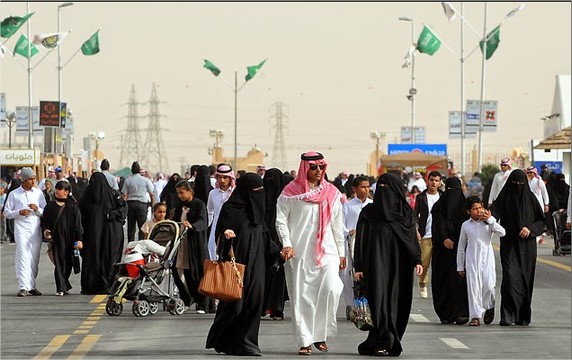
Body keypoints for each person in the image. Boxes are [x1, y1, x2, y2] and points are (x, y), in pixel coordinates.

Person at [275, 151, 345, 356]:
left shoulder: (331, 193)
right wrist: (286, 244)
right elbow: (281, 220)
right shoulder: (290, 192)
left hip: (328, 251)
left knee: (332, 289)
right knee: (303, 297)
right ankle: (305, 340)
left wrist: (341, 252)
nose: (318, 171)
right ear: (304, 169)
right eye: (313, 167)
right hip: (300, 253)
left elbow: (338, 226)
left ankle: (320, 334)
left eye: (321, 167)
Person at [206, 173, 280, 356]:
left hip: (257, 267)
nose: (258, 194)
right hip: (236, 265)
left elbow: (265, 239)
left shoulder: (258, 213)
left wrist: (279, 253)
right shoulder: (231, 209)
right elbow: (220, 236)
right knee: (234, 305)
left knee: (254, 302)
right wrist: (226, 237)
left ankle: (247, 343)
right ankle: (223, 340)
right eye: (255, 190)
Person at [353, 173, 423, 356]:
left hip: (400, 269)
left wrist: (417, 260)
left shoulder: (406, 215)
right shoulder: (368, 213)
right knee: (378, 302)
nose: (383, 193)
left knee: (394, 303)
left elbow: (412, 240)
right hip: (374, 267)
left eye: (387, 188)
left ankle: (389, 339)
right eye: (380, 188)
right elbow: (359, 241)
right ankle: (381, 340)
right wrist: (358, 267)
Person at [492, 169, 545, 326]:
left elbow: (541, 221)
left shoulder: (532, 199)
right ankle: (508, 316)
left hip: (527, 247)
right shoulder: (504, 198)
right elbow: (494, 214)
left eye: (521, 184)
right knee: (509, 276)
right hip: (509, 244)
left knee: (525, 278)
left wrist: (530, 229)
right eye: (515, 184)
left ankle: (522, 316)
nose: (518, 187)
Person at [457, 196, 506, 327]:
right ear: (468, 211)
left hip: (487, 259)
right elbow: (461, 247)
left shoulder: (489, 223)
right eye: (475, 209)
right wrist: (460, 266)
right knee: (474, 288)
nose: (479, 211)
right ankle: (475, 317)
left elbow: (502, 233)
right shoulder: (466, 225)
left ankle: (489, 305)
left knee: (489, 286)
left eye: (480, 208)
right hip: (471, 260)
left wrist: (490, 220)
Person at [79, 172, 127, 294]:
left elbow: (123, 209)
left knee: (101, 257)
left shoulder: (111, 195)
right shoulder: (110, 194)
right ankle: (102, 285)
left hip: (102, 234)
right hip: (101, 234)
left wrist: (112, 215)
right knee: (99, 257)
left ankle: (102, 285)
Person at [430, 176, 470, 324]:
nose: (452, 194)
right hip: (443, 252)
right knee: (443, 281)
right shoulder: (438, 208)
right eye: (450, 190)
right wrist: (444, 238)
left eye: (456, 190)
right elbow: (437, 227)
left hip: (460, 251)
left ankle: (461, 313)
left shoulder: (465, 208)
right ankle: (445, 313)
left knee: (460, 281)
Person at [3, 167, 47, 297]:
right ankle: (23, 286)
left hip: (35, 229)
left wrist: (37, 209)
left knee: (34, 257)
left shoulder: (38, 193)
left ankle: (31, 286)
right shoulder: (14, 194)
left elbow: (46, 211)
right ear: (23, 180)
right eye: (30, 179)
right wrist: (19, 212)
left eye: (34, 178)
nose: (33, 181)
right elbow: (6, 212)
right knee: (23, 256)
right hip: (21, 229)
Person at [170, 180, 209, 313]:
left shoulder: (199, 205)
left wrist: (192, 226)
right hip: (181, 243)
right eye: (178, 193)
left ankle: (202, 303)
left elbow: (203, 221)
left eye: (182, 192)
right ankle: (186, 299)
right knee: (178, 271)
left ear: (189, 191)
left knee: (196, 273)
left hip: (194, 244)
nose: (180, 195)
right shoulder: (179, 205)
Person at [41, 181, 84, 296]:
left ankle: (64, 284)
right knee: (59, 262)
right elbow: (44, 221)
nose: (57, 191)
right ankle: (60, 287)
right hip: (57, 239)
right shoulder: (50, 206)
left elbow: (78, 225)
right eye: (57, 188)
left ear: (66, 192)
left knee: (68, 262)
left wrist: (79, 239)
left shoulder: (73, 206)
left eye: (60, 189)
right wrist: (46, 231)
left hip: (70, 239)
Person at [261, 168, 292, 320]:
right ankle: (261, 307)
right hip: (264, 242)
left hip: (280, 241)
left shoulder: (286, 199)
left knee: (278, 275)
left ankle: (276, 309)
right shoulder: (260, 199)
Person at [340, 175, 372, 320]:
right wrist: (350, 232)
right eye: (363, 187)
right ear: (355, 189)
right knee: (347, 276)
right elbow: (341, 226)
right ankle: (350, 306)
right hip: (350, 245)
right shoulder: (348, 206)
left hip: (368, 246)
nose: (366, 190)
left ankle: (365, 307)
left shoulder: (373, 205)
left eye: (368, 187)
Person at [413, 171, 442, 299]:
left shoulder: (443, 196)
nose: (433, 183)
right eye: (431, 180)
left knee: (438, 262)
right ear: (427, 181)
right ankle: (422, 283)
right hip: (425, 233)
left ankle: (438, 287)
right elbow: (415, 215)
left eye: (436, 180)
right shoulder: (421, 197)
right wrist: (416, 229)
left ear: (440, 182)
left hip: (440, 235)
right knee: (424, 262)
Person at [206, 163, 235, 260]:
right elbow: (210, 211)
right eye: (220, 177)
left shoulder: (235, 193)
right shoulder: (213, 193)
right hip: (216, 227)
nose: (222, 180)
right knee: (213, 254)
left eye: (225, 177)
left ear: (230, 178)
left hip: (232, 228)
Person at [122, 161, 154, 242]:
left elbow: (124, 195)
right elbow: (151, 193)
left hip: (131, 204)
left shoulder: (128, 180)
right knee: (142, 226)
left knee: (131, 227)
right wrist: (152, 204)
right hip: (142, 204)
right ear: (139, 170)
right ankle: (141, 243)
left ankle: (131, 244)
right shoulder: (145, 180)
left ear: (131, 170)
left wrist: (124, 206)